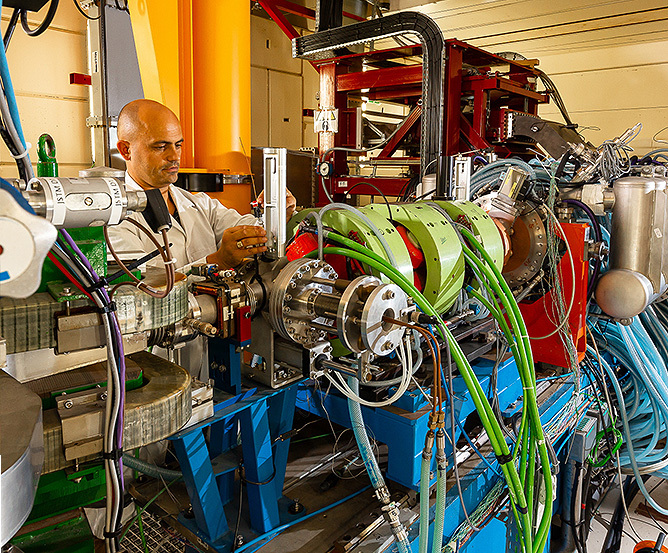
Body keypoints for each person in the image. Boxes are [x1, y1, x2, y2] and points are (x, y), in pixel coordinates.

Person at [108, 99, 296, 273]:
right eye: (160, 146)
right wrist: (217, 261)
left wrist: (279, 216)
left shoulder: (200, 204)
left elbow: (250, 232)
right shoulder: (115, 221)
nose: (174, 156)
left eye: (178, 145)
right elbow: (141, 291)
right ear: (126, 150)